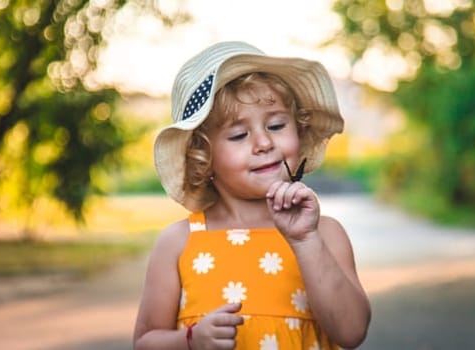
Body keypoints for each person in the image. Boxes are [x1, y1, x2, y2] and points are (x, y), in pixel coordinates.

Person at [133, 41, 370, 350]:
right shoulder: (179, 242)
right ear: (204, 157)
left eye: (276, 124)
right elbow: (145, 342)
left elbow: (352, 333)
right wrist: (190, 340)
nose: (263, 142)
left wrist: (305, 241)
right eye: (238, 135)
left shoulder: (324, 234)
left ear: (298, 129)